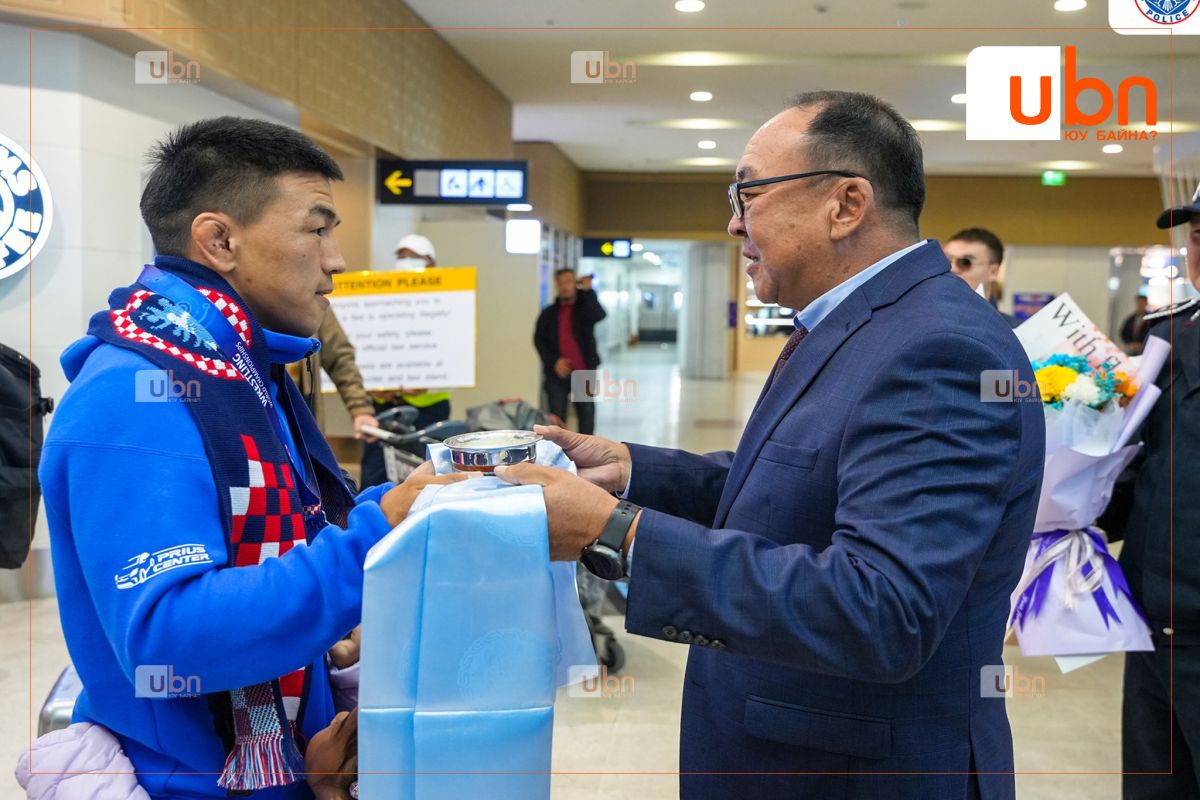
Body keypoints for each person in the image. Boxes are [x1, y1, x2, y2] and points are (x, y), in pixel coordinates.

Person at [497, 91, 1045, 800]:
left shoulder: (940, 349)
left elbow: (883, 610)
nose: (734, 221)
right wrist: (632, 471)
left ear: (846, 204)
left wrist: (618, 533)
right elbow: (798, 482)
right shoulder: (856, 323)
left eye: (748, 193)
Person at [38, 116, 464, 799]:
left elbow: (295, 536)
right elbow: (167, 636)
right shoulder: (135, 394)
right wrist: (377, 533)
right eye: (316, 230)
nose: (337, 260)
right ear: (219, 240)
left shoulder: (244, 374)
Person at [1098, 182, 1200, 799]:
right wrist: (1069, 507)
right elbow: (1139, 470)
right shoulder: (1168, 336)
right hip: (1151, 627)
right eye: (1199, 236)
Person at [358, 233, 452, 487]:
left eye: (414, 257)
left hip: (429, 406)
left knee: (425, 473)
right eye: (401, 256)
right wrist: (374, 383)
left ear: (431, 263)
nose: (405, 261)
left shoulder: (447, 302)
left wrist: (429, 383)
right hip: (385, 404)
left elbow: (455, 358)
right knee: (375, 474)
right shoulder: (384, 298)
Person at [533, 269, 607, 435]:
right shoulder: (549, 313)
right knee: (557, 416)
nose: (564, 286)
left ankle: (587, 448)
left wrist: (588, 291)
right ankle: (559, 448)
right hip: (557, 373)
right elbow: (539, 340)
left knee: (586, 412)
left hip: (583, 370)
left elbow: (600, 314)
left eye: (568, 281)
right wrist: (554, 361)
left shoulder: (585, 308)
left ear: (575, 283)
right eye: (560, 283)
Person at [291, 309, 378, 442]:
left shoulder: (311, 301)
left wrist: (360, 408)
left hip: (301, 414)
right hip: (261, 413)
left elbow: (340, 359)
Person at [944, 227, 1020, 328]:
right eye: (946, 261)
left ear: (993, 272)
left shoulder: (1014, 331)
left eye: (965, 262)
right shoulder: (924, 320)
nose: (952, 269)